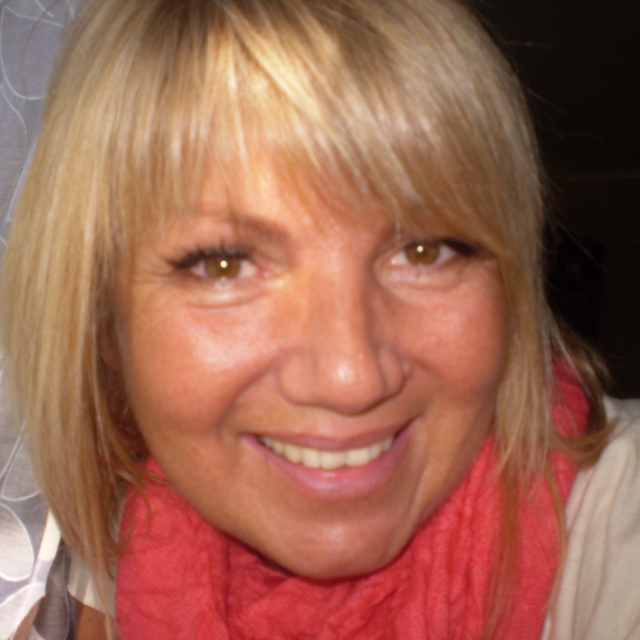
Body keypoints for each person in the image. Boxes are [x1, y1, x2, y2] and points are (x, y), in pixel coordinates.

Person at [1, 0, 639, 638]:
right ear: (105, 325)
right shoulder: (115, 560)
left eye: (425, 251)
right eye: (224, 264)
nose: (349, 379)